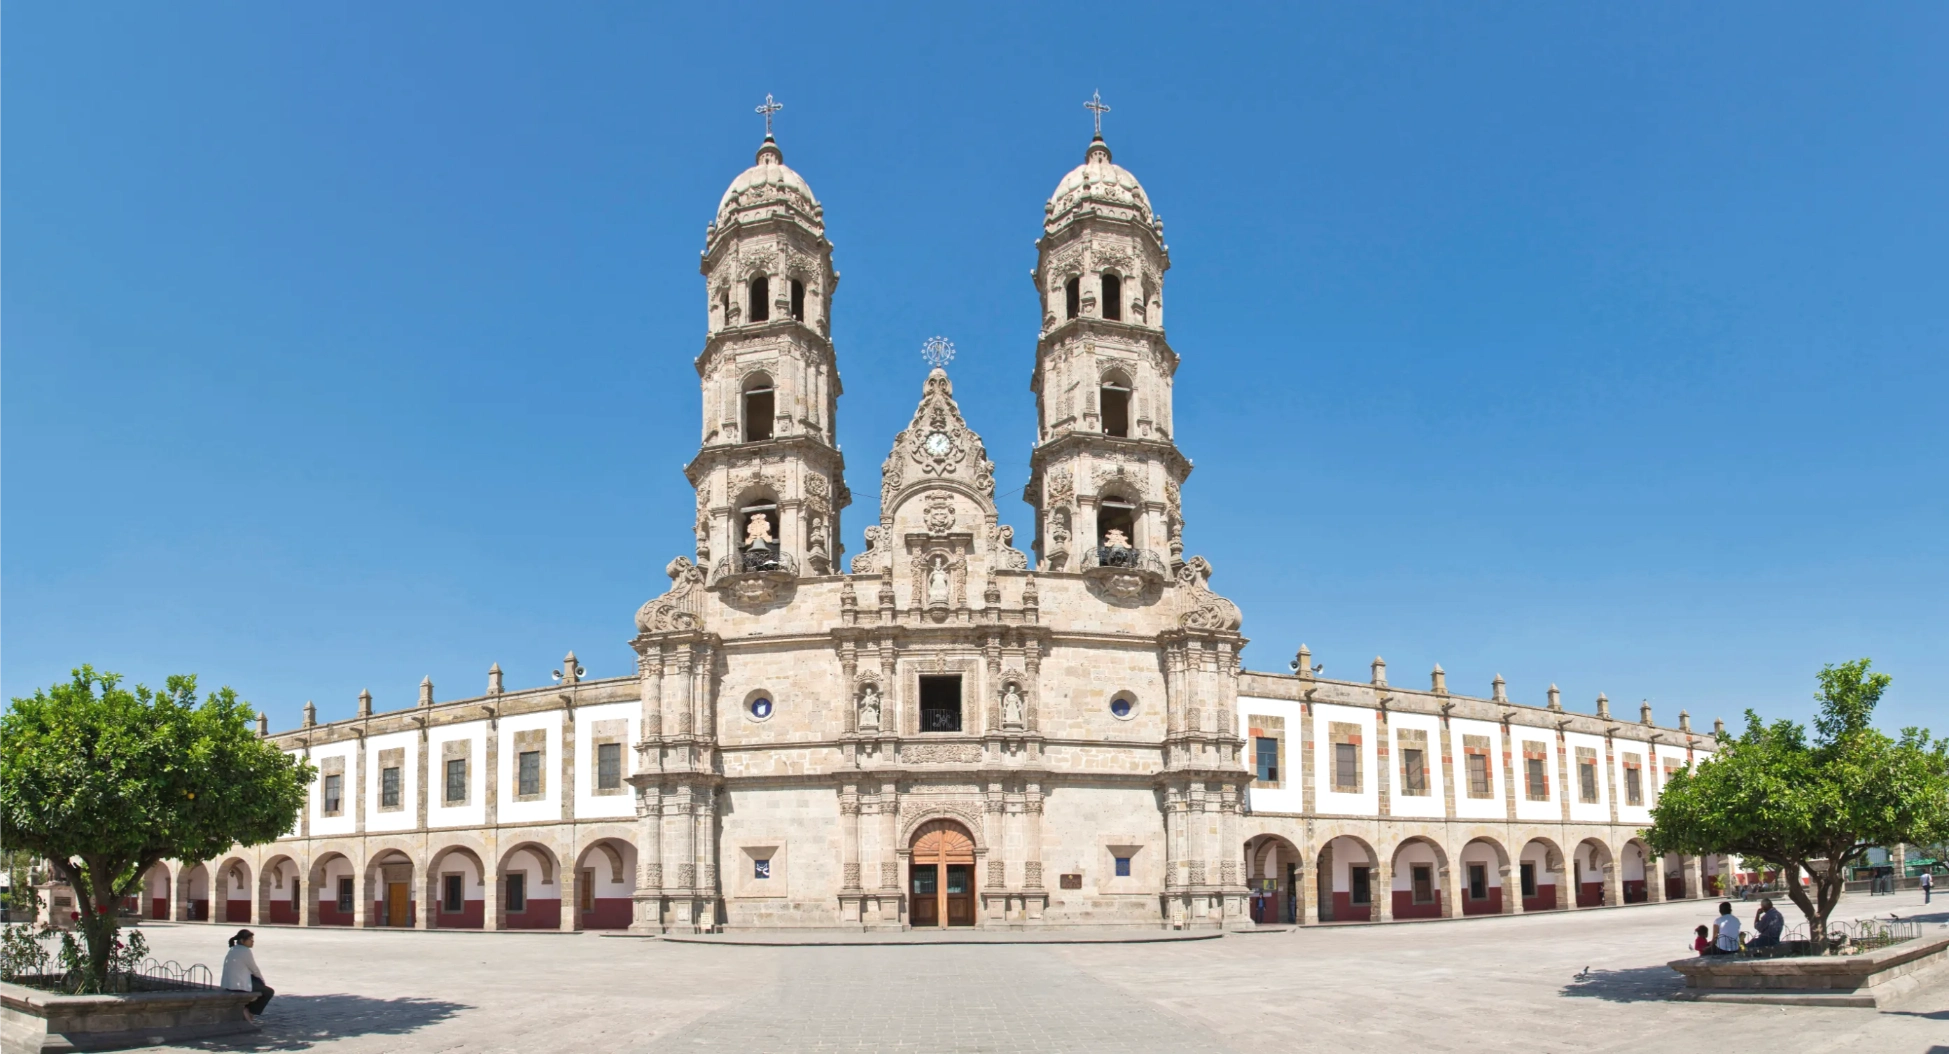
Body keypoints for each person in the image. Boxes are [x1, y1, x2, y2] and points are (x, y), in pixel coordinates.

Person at [221, 929, 273, 1021]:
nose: (252, 941)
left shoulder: (233, 949)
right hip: (240, 985)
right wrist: (262, 980)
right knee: (268, 992)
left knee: (258, 986)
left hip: (229, 984)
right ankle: (249, 1010)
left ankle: (247, 1008)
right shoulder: (245, 951)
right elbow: (254, 969)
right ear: (242, 940)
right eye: (250, 939)